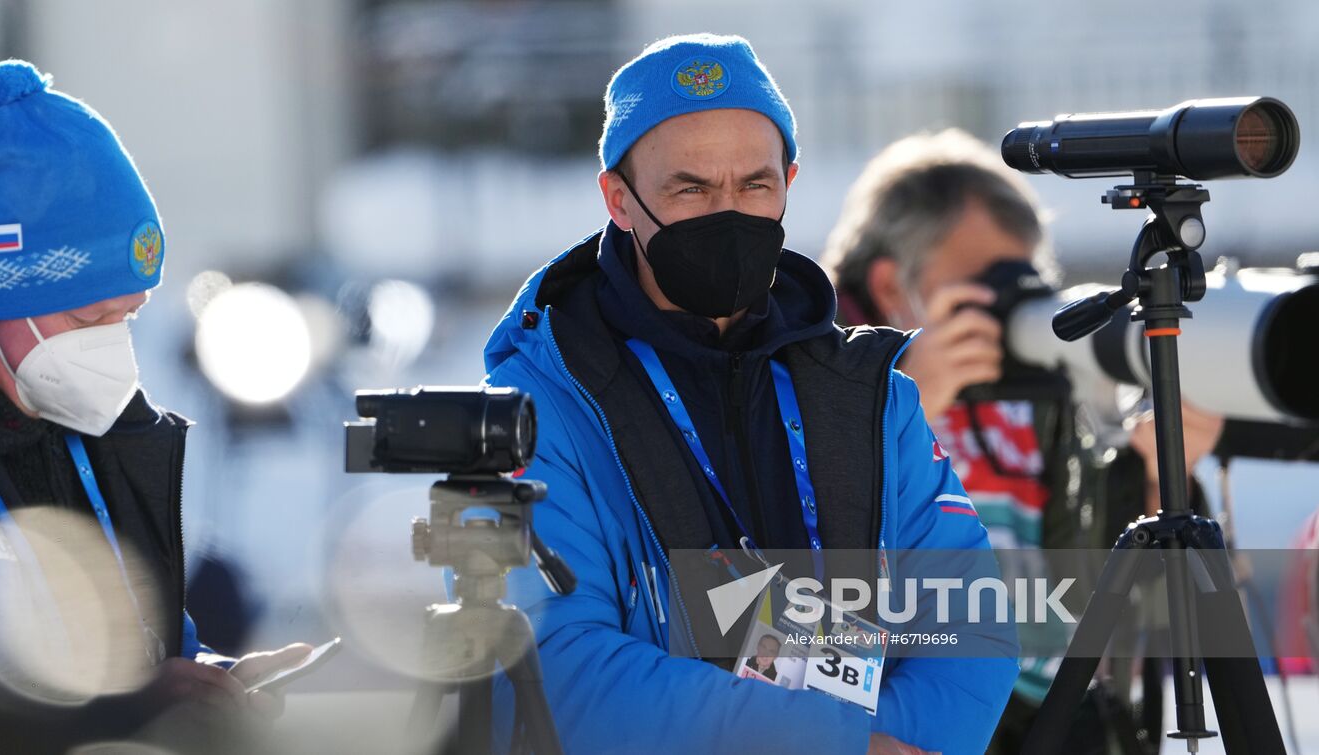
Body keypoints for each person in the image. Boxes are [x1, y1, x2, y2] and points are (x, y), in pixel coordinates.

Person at [483, 35, 1017, 755]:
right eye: (691, 188)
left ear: (790, 180)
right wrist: (835, 745)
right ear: (619, 199)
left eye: (754, 185)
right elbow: (558, 667)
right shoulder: (539, 400)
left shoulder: (867, 393)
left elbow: (971, 626)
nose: (727, 212)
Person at [0, 60, 309, 751]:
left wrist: (204, 679)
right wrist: (118, 713)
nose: (108, 352)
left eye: (125, 319)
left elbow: (138, 654)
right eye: (88, 318)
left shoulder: (76, 421)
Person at [822, 129, 1224, 754]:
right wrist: (893, 413)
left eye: (1024, 282)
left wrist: (1149, 477)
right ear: (892, 288)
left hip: (1046, 719)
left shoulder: (1037, 397)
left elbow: (1086, 590)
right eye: (986, 286)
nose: (1010, 310)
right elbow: (776, 599)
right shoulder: (809, 382)